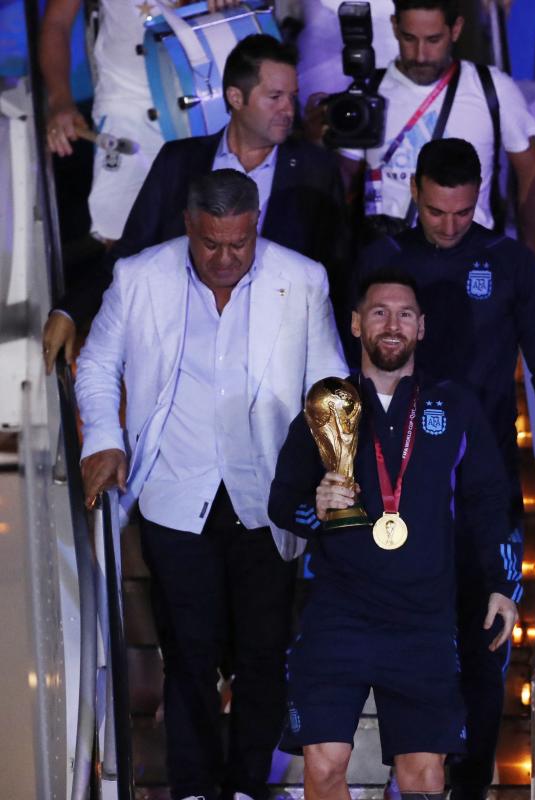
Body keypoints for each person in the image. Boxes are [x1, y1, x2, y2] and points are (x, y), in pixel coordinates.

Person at [74, 169, 348, 800]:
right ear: (188, 229)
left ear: (257, 228)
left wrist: (335, 467)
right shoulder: (140, 276)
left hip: (270, 499)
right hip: (174, 493)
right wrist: (103, 439)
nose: (226, 259)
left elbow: (330, 378)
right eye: (210, 245)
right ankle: (194, 788)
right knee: (189, 654)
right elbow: (97, 361)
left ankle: (249, 785)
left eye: (240, 244)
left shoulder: (301, 279)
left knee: (262, 653)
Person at [356, 138, 535, 800]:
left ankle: (472, 787)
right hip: (395, 486)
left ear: (479, 195)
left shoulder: (509, 261)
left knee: (486, 649)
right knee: (404, 643)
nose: (449, 225)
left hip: (485, 487)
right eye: (435, 212)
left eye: (461, 212)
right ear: (416, 195)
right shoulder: (382, 259)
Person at [268, 271, 519, 800]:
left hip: (423, 619)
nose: (392, 324)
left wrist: (501, 582)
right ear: (357, 323)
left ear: (422, 328)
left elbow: (488, 499)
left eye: (405, 314)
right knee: (324, 762)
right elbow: (281, 501)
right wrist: (315, 509)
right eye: (379, 312)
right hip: (339, 614)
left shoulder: (453, 406)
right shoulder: (327, 407)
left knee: (423, 776)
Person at [42, 33, 349, 373]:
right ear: (235, 96)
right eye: (275, 97)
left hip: (276, 361)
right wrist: (70, 310)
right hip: (184, 357)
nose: (288, 110)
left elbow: (335, 272)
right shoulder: (179, 161)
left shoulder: (315, 169)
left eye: (292, 97)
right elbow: (131, 252)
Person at [312, 0, 535, 255]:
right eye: (409, 38)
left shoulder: (493, 88)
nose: (420, 55)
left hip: (470, 259)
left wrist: (529, 261)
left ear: (455, 30)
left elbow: (532, 172)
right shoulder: (368, 93)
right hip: (388, 262)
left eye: (433, 40)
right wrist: (316, 143)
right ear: (394, 26)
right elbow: (342, 184)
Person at [39, 0, 238, 243]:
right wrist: (60, 100)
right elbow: (56, 23)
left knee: (225, 236)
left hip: (212, 97)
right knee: (125, 246)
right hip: (127, 106)